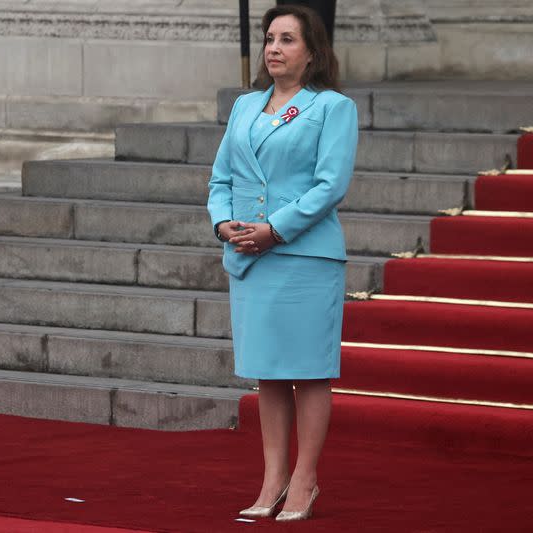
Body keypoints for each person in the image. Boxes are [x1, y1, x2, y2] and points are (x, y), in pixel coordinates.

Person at [207, 5, 358, 522]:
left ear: (312, 52)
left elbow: (329, 185)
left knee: (309, 372)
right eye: (269, 38)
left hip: (303, 255)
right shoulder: (246, 106)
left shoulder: (332, 107)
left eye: (287, 39)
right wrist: (223, 224)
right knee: (268, 374)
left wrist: (276, 229)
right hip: (248, 256)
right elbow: (220, 179)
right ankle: (272, 478)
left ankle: (305, 479)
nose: (273, 48)